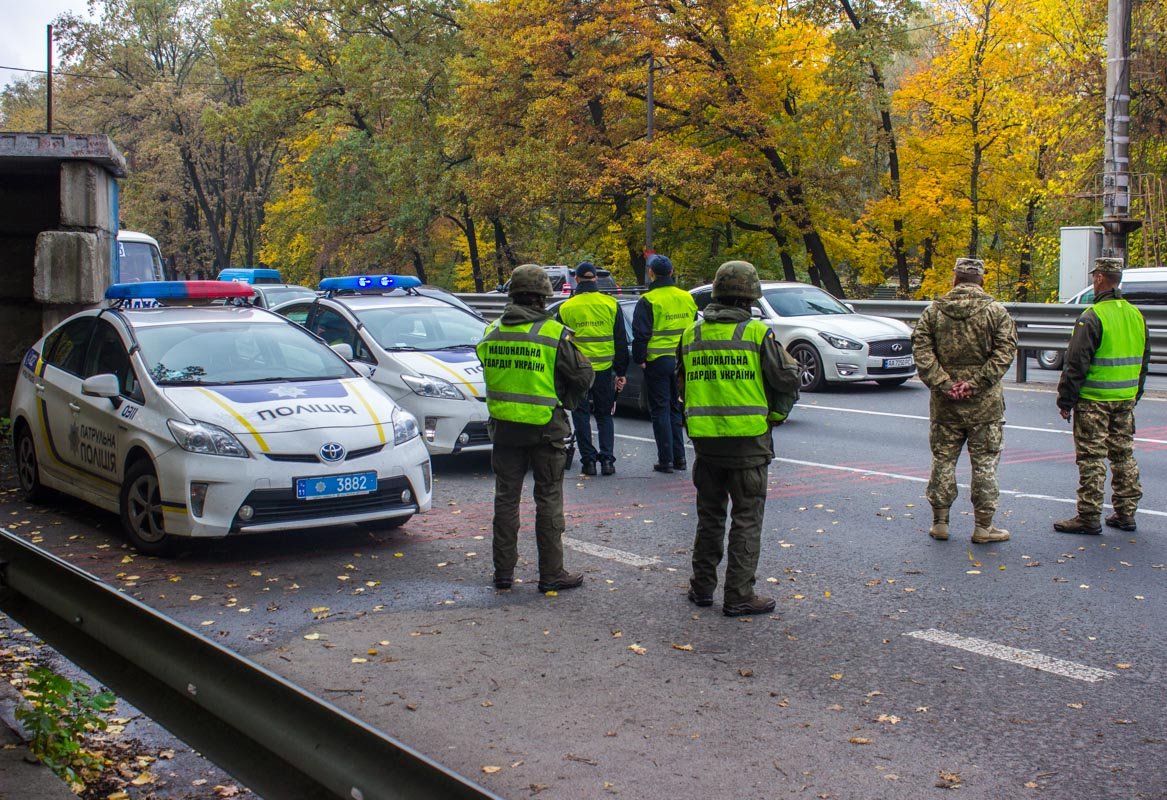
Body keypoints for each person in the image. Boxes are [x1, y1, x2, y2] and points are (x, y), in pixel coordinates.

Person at [678, 261, 800, 617]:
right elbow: (786, 379)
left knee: (709, 517)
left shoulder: (691, 335)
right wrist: (776, 415)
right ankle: (739, 595)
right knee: (746, 519)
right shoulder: (758, 335)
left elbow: (681, 386)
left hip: (706, 443)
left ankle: (701, 588)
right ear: (750, 298)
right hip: (749, 444)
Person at [477, 264, 595, 592]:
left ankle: (503, 573)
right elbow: (584, 376)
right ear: (543, 298)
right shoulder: (553, 333)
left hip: (504, 430)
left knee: (505, 500)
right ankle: (551, 574)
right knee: (548, 500)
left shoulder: (492, 331)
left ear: (512, 295)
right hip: (545, 430)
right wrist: (564, 397)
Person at [911, 257, 1017, 544]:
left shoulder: (933, 312)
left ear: (955, 279)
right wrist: (976, 383)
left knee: (943, 460)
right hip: (985, 405)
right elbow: (1005, 352)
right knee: (984, 464)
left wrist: (944, 383)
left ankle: (940, 522)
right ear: (981, 281)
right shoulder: (996, 312)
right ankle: (983, 526)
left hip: (946, 404)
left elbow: (921, 351)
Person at [1054, 257, 1149, 535]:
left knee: (1091, 459)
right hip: (1125, 399)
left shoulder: (1092, 316)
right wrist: (1135, 394)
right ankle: (1126, 513)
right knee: (1123, 456)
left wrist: (1066, 400)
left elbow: (1076, 363)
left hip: (1094, 401)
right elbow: (1145, 361)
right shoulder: (1136, 315)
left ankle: (1089, 516)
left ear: (1099, 279)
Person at [556, 261, 629, 476]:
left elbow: (560, 343)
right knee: (604, 415)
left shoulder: (566, 307)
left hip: (578, 371)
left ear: (576, 279)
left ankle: (588, 461)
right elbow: (620, 340)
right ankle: (607, 461)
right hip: (604, 369)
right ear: (595, 278)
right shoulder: (610, 304)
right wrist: (622, 372)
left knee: (580, 414)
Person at [632, 254, 698, 473]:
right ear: (671, 272)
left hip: (658, 361)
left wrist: (640, 359)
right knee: (676, 408)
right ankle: (680, 458)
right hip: (682, 360)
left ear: (651, 273)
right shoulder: (686, 297)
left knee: (660, 409)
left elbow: (641, 333)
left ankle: (666, 459)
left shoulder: (648, 300)